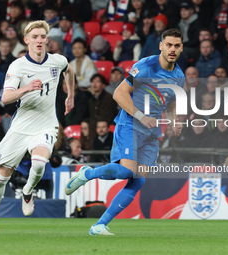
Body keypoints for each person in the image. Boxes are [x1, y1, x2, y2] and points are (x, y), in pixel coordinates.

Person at [64, 28, 184, 235]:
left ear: (181, 48)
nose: (173, 49)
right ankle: (88, 173)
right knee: (126, 171)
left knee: (139, 180)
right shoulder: (146, 67)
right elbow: (119, 94)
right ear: (161, 46)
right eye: (169, 45)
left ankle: (99, 225)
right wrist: (141, 116)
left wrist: (174, 120)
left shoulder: (179, 76)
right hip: (130, 124)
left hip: (151, 133)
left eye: (177, 45)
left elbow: (171, 103)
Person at [0, 20, 75, 236]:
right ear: (26, 40)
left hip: (46, 124)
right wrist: (26, 88)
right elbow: (5, 98)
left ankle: (28, 190)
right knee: (0, 178)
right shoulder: (18, 66)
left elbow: (69, 72)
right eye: (35, 37)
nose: (39, 40)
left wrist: (70, 95)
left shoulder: (58, 61)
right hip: (21, 127)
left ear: (47, 39)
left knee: (39, 163)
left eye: (42, 36)